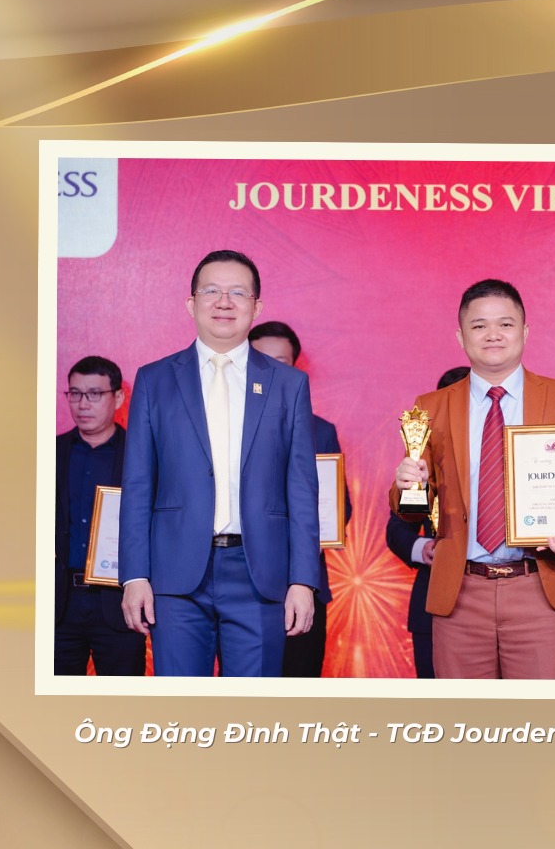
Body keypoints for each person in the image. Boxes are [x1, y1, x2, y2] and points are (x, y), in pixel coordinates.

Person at [391, 279, 555, 680]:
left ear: (525, 332)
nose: (492, 334)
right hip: (460, 592)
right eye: (479, 326)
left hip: (540, 587)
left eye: (505, 324)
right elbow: (411, 512)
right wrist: (410, 487)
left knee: (537, 717)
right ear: (461, 337)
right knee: (464, 717)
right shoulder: (431, 406)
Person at [119, 250, 321, 677]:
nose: (224, 302)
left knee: (252, 708)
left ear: (256, 307)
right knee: (182, 707)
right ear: (191, 304)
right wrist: (134, 575)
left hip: (260, 574)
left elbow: (302, 489)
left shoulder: (289, 384)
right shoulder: (155, 380)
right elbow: (137, 484)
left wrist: (302, 580)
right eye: (211, 291)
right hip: (174, 575)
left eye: (237, 293)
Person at [249, 319, 352, 677]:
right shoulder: (218, 427)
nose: (271, 371)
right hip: (238, 584)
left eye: (281, 362)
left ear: (295, 368)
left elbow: (339, 509)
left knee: (299, 687)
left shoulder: (320, 431)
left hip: (303, 583)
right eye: (261, 361)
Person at [55, 356, 146, 676]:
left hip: (118, 603)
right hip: (59, 604)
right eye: (75, 393)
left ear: (118, 397)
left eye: (94, 394)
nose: (83, 404)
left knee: (122, 697)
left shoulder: (141, 454)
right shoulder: (50, 452)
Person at [385, 365, 470, 679]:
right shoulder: (421, 461)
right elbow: (397, 528)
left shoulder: (510, 458)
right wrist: (423, 548)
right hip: (434, 604)